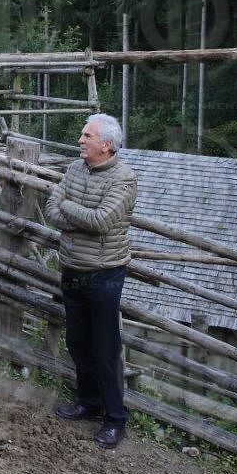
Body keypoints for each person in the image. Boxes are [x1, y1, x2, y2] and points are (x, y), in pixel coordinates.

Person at [45, 113, 137, 449]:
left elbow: (101, 221)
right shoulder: (75, 168)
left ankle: (115, 419)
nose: (80, 140)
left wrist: (69, 209)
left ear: (107, 145)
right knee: (78, 341)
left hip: (104, 274)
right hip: (72, 267)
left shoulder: (123, 179)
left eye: (87, 136)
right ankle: (88, 402)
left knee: (105, 347)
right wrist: (74, 215)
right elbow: (51, 209)